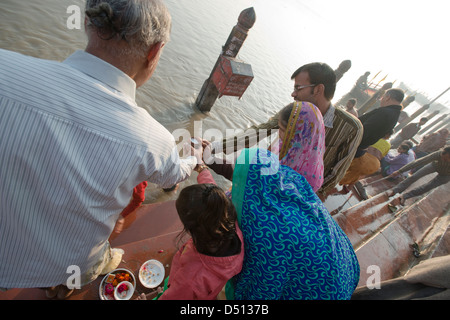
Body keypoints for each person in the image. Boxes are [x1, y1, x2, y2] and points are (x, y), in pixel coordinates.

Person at [0, 0, 198, 298]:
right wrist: (194, 158)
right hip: (67, 264)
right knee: (85, 268)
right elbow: (173, 178)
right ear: (154, 52)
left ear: (87, 24)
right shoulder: (153, 138)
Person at [222, 148, 360, 300]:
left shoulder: (267, 233)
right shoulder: (292, 184)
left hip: (325, 292)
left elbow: (263, 287)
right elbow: (248, 180)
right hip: (345, 268)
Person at [138, 155, 244, 300]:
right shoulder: (230, 225)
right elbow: (213, 197)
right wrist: (202, 169)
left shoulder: (190, 280)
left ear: (192, 228)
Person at [290, 63, 363, 198]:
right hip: (279, 177)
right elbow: (264, 129)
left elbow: (337, 172)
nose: (293, 93)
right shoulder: (296, 109)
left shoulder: (351, 128)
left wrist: (311, 196)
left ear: (318, 90)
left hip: (305, 193)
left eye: (298, 88)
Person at [270, 101, 325, 192]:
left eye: (283, 130)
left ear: (298, 134)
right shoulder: (291, 147)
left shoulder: (306, 179)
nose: (279, 134)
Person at [354, 88, 405, 159]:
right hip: (362, 147)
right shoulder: (395, 115)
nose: (381, 99)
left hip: (354, 145)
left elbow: (364, 130)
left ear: (388, 97)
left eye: (382, 97)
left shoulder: (384, 112)